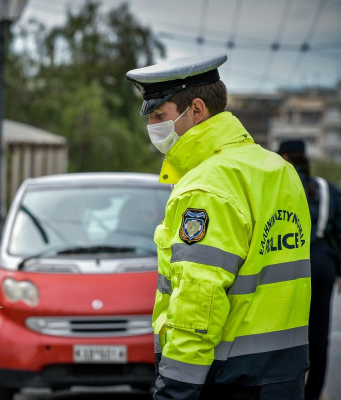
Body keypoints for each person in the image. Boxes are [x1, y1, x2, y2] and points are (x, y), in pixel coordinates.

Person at [125, 54, 312, 399]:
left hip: (228, 378)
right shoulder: (278, 171)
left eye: (159, 115)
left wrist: (174, 390)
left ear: (196, 110)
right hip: (284, 374)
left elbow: (198, 303)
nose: (152, 126)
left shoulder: (207, 186)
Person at [277, 139, 341, 400]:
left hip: (287, 264)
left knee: (281, 332)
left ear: (283, 158)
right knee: (319, 333)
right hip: (322, 265)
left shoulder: (279, 186)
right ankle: (312, 394)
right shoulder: (326, 189)